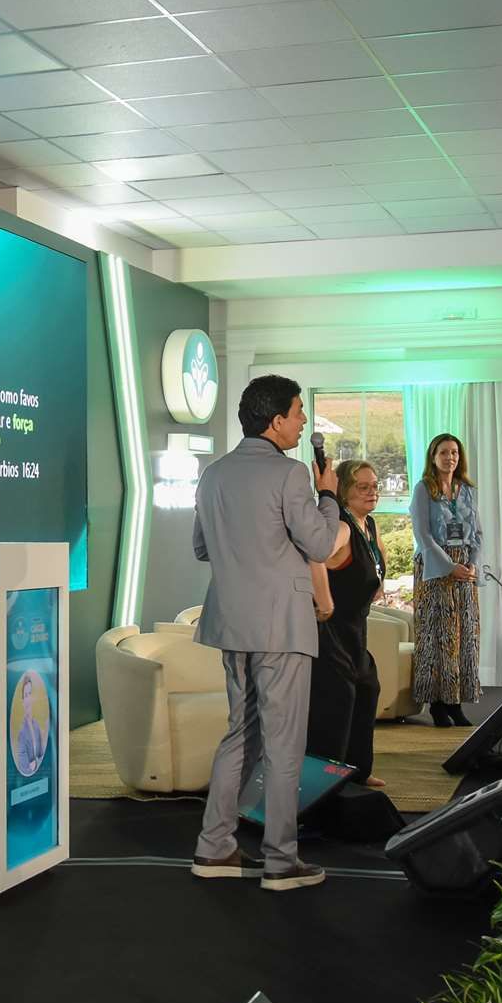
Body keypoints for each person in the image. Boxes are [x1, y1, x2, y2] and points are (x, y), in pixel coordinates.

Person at [189, 375, 342, 893]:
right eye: (298, 412)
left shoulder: (212, 474)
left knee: (241, 732)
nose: (303, 421)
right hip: (282, 626)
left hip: (231, 622)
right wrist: (328, 496)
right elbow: (320, 545)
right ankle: (281, 860)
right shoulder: (292, 473)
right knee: (283, 745)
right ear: (276, 421)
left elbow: (202, 548)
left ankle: (214, 847)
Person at [306, 460, 389, 789]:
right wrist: (324, 600)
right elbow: (314, 555)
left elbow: (376, 560)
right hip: (330, 630)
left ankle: (358, 771)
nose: (372, 492)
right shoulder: (341, 526)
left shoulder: (368, 525)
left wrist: (378, 582)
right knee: (338, 700)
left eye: (375, 486)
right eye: (362, 487)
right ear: (343, 491)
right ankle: (323, 786)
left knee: (367, 689)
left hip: (355, 630)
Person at [410, 433, 483, 727]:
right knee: (437, 636)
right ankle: (437, 704)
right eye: (443, 452)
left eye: (454, 452)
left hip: (464, 569)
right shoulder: (423, 489)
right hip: (434, 567)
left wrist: (472, 564)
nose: (449, 457)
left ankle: (455, 702)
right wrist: (449, 566)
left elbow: (477, 532)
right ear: (433, 456)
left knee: (464, 635)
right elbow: (423, 534)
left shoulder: (467, 490)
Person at [14, 671, 47, 777]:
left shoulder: (36, 726)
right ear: (23, 701)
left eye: (30, 694)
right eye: (25, 695)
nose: (28, 699)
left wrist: (34, 763)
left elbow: (42, 756)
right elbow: (25, 769)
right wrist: (33, 764)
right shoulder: (22, 733)